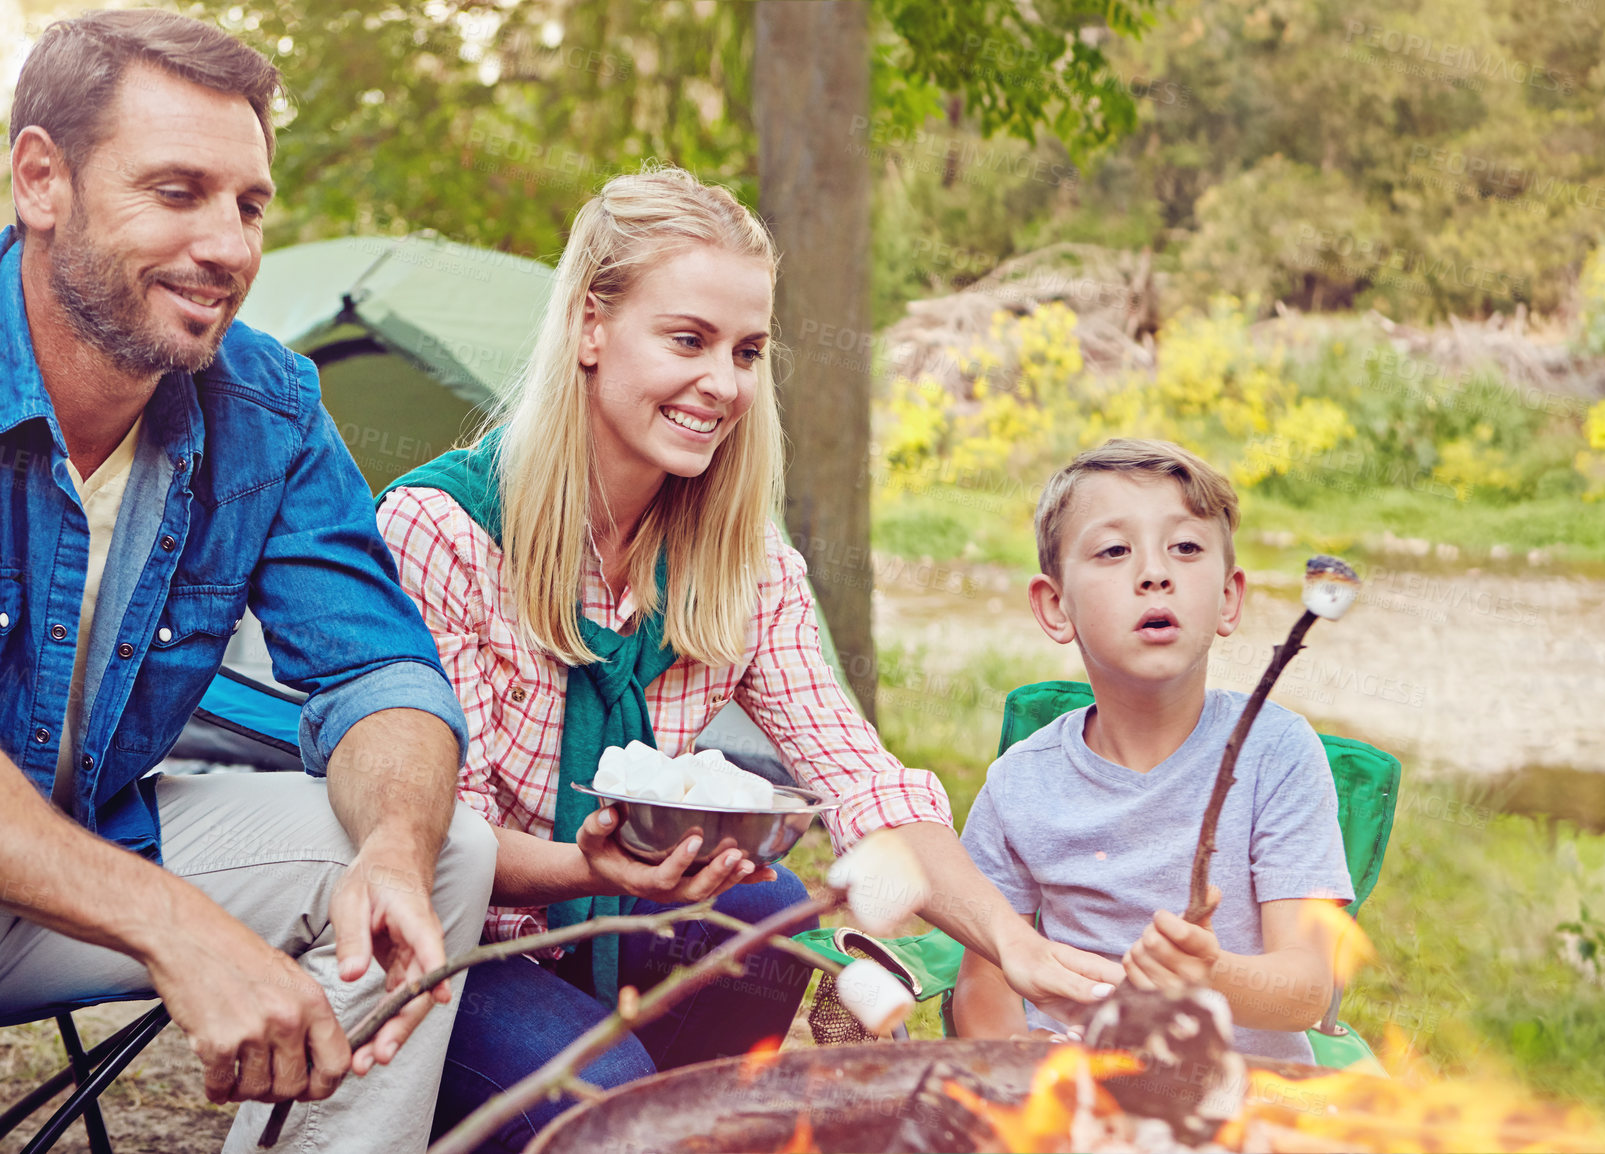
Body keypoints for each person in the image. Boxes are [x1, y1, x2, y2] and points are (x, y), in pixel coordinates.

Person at [375, 165, 1125, 1150]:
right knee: (615, 1105)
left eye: (747, 350)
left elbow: (863, 782)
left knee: (765, 925)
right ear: (592, 329)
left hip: (617, 923)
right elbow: (442, 841)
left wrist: (1012, 940)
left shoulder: (744, 563)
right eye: (687, 340)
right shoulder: (444, 530)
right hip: (455, 948)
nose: (723, 384)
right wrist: (589, 866)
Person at [0, 12, 495, 1151]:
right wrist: (175, 922)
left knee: (444, 849)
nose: (228, 245)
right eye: (178, 191)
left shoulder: (264, 404)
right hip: (92, 877)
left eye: (250, 204)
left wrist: (390, 844)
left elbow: (380, 670)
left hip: (74, 857)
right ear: (42, 180)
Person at [952, 439, 1356, 1063]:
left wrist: (1211, 975)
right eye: (1114, 550)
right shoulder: (1020, 784)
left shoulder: (1275, 754)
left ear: (1228, 597)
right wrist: (1022, 1063)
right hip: (1079, 1097)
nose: (1154, 572)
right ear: (1056, 606)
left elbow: (1307, 990)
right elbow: (984, 984)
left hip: (1245, 1102)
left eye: (1187, 548)